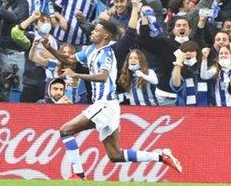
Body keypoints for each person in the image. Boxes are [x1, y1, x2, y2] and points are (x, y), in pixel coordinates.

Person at [41, 20, 182, 180]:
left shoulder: (106, 53)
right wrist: (50, 48)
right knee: (115, 155)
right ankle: (161, 156)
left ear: (106, 35)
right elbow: (70, 60)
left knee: (66, 130)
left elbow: (103, 76)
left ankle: (78, 174)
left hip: (105, 104)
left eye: (96, 30)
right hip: (108, 106)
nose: (92, 32)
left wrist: (77, 75)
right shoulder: (91, 50)